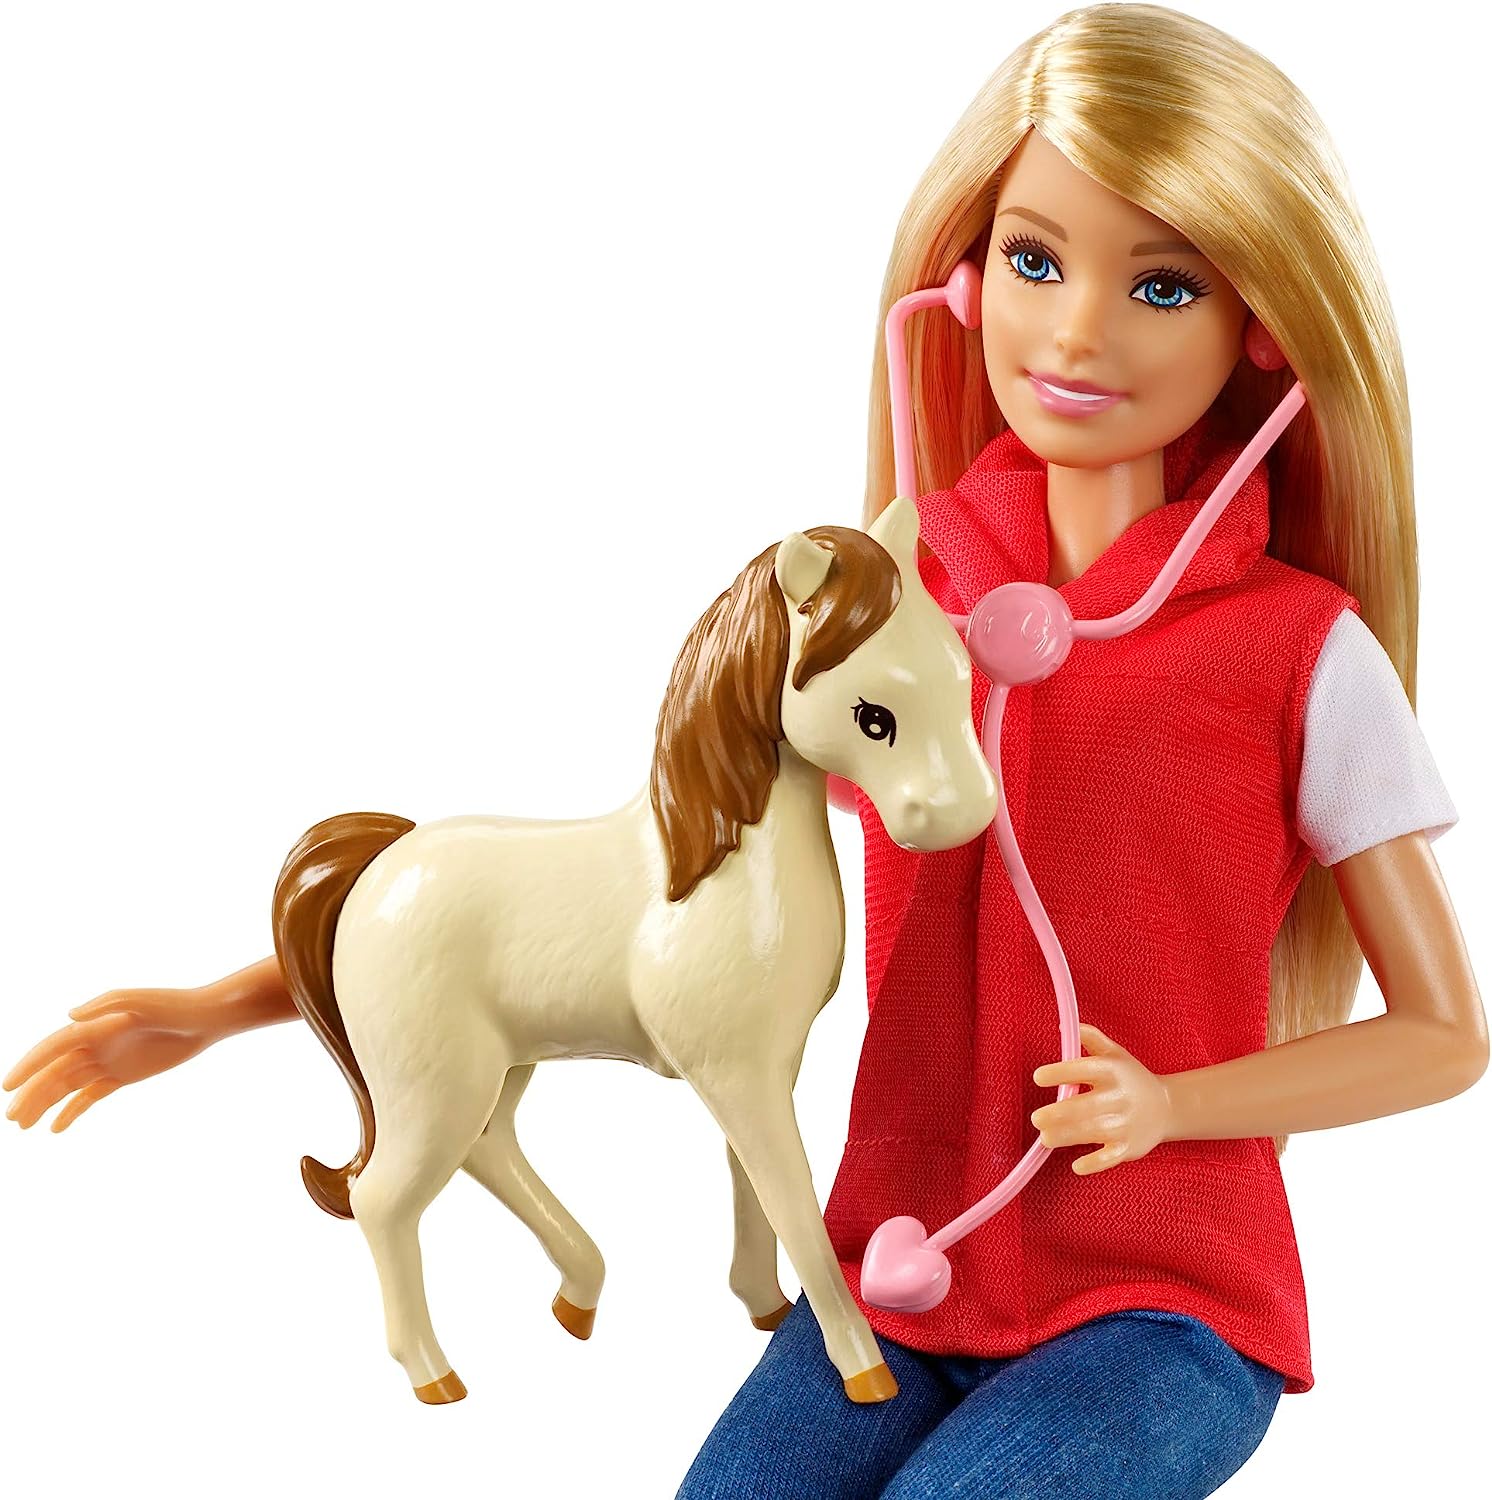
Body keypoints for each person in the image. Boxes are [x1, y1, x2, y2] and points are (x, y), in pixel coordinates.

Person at [5, 5, 1487, 1495]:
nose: (1078, 330)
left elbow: (1445, 1035)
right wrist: (237, 1005)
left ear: (1261, 331)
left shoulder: (1299, 653)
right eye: (1036, 261)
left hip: (1165, 1298)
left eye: (1162, 285)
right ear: (965, 284)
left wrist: (1174, 1106)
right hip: (900, 1268)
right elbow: (601, 895)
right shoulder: (885, 605)